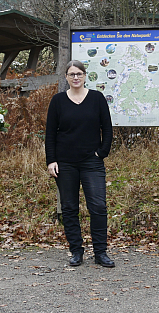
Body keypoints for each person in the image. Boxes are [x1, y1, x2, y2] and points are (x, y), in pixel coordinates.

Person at [46, 61, 115, 268]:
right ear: (66, 77)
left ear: (85, 76)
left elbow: (108, 129)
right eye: (71, 74)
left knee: (98, 206)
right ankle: (76, 251)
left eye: (79, 74)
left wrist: (101, 152)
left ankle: (100, 252)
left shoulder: (97, 98)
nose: (75, 77)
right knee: (69, 208)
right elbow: (50, 134)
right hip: (65, 163)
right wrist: (51, 160)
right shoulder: (58, 101)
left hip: (91, 162)